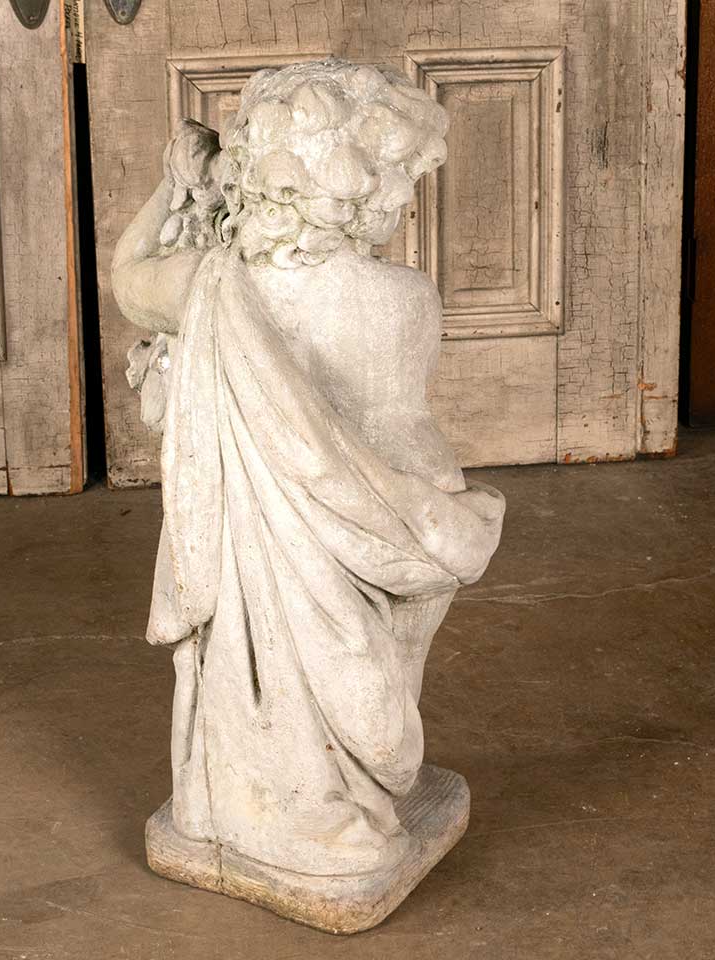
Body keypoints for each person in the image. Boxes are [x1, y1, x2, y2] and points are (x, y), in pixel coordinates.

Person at [112, 59, 505, 879]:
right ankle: (341, 808)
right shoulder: (401, 298)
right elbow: (400, 425)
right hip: (390, 531)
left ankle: (262, 811)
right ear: (367, 186)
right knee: (371, 681)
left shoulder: (206, 283)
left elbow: (125, 278)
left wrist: (173, 190)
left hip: (267, 537)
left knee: (257, 670)